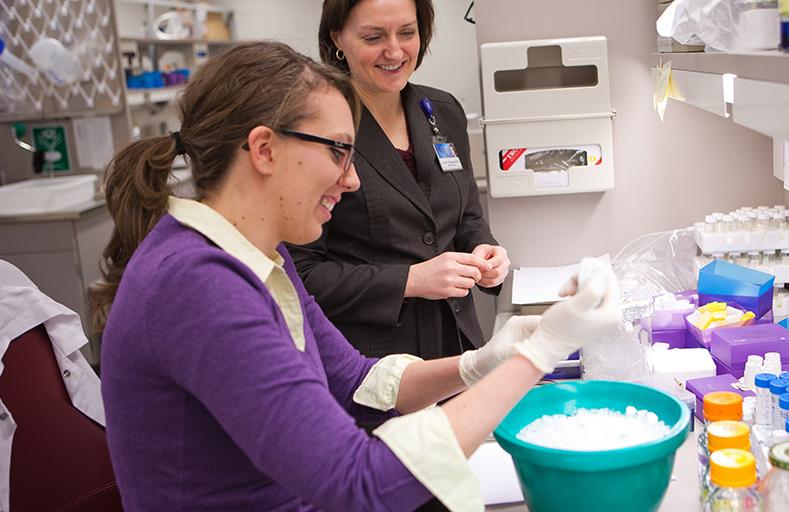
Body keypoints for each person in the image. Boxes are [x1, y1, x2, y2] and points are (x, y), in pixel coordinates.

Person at [91, 41, 620, 511]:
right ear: (264, 148)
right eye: (339, 151)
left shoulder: (257, 255)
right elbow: (359, 483)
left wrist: (481, 364)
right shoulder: (197, 285)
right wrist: (539, 354)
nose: (352, 179)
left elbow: (355, 384)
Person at [289, 0, 508, 363]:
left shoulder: (443, 111)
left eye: (407, 33)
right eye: (373, 37)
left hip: (459, 346)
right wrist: (410, 280)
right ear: (337, 38)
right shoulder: (312, 128)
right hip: (371, 363)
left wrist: (485, 251)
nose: (394, 51)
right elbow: (301, 273)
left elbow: (467, 217)